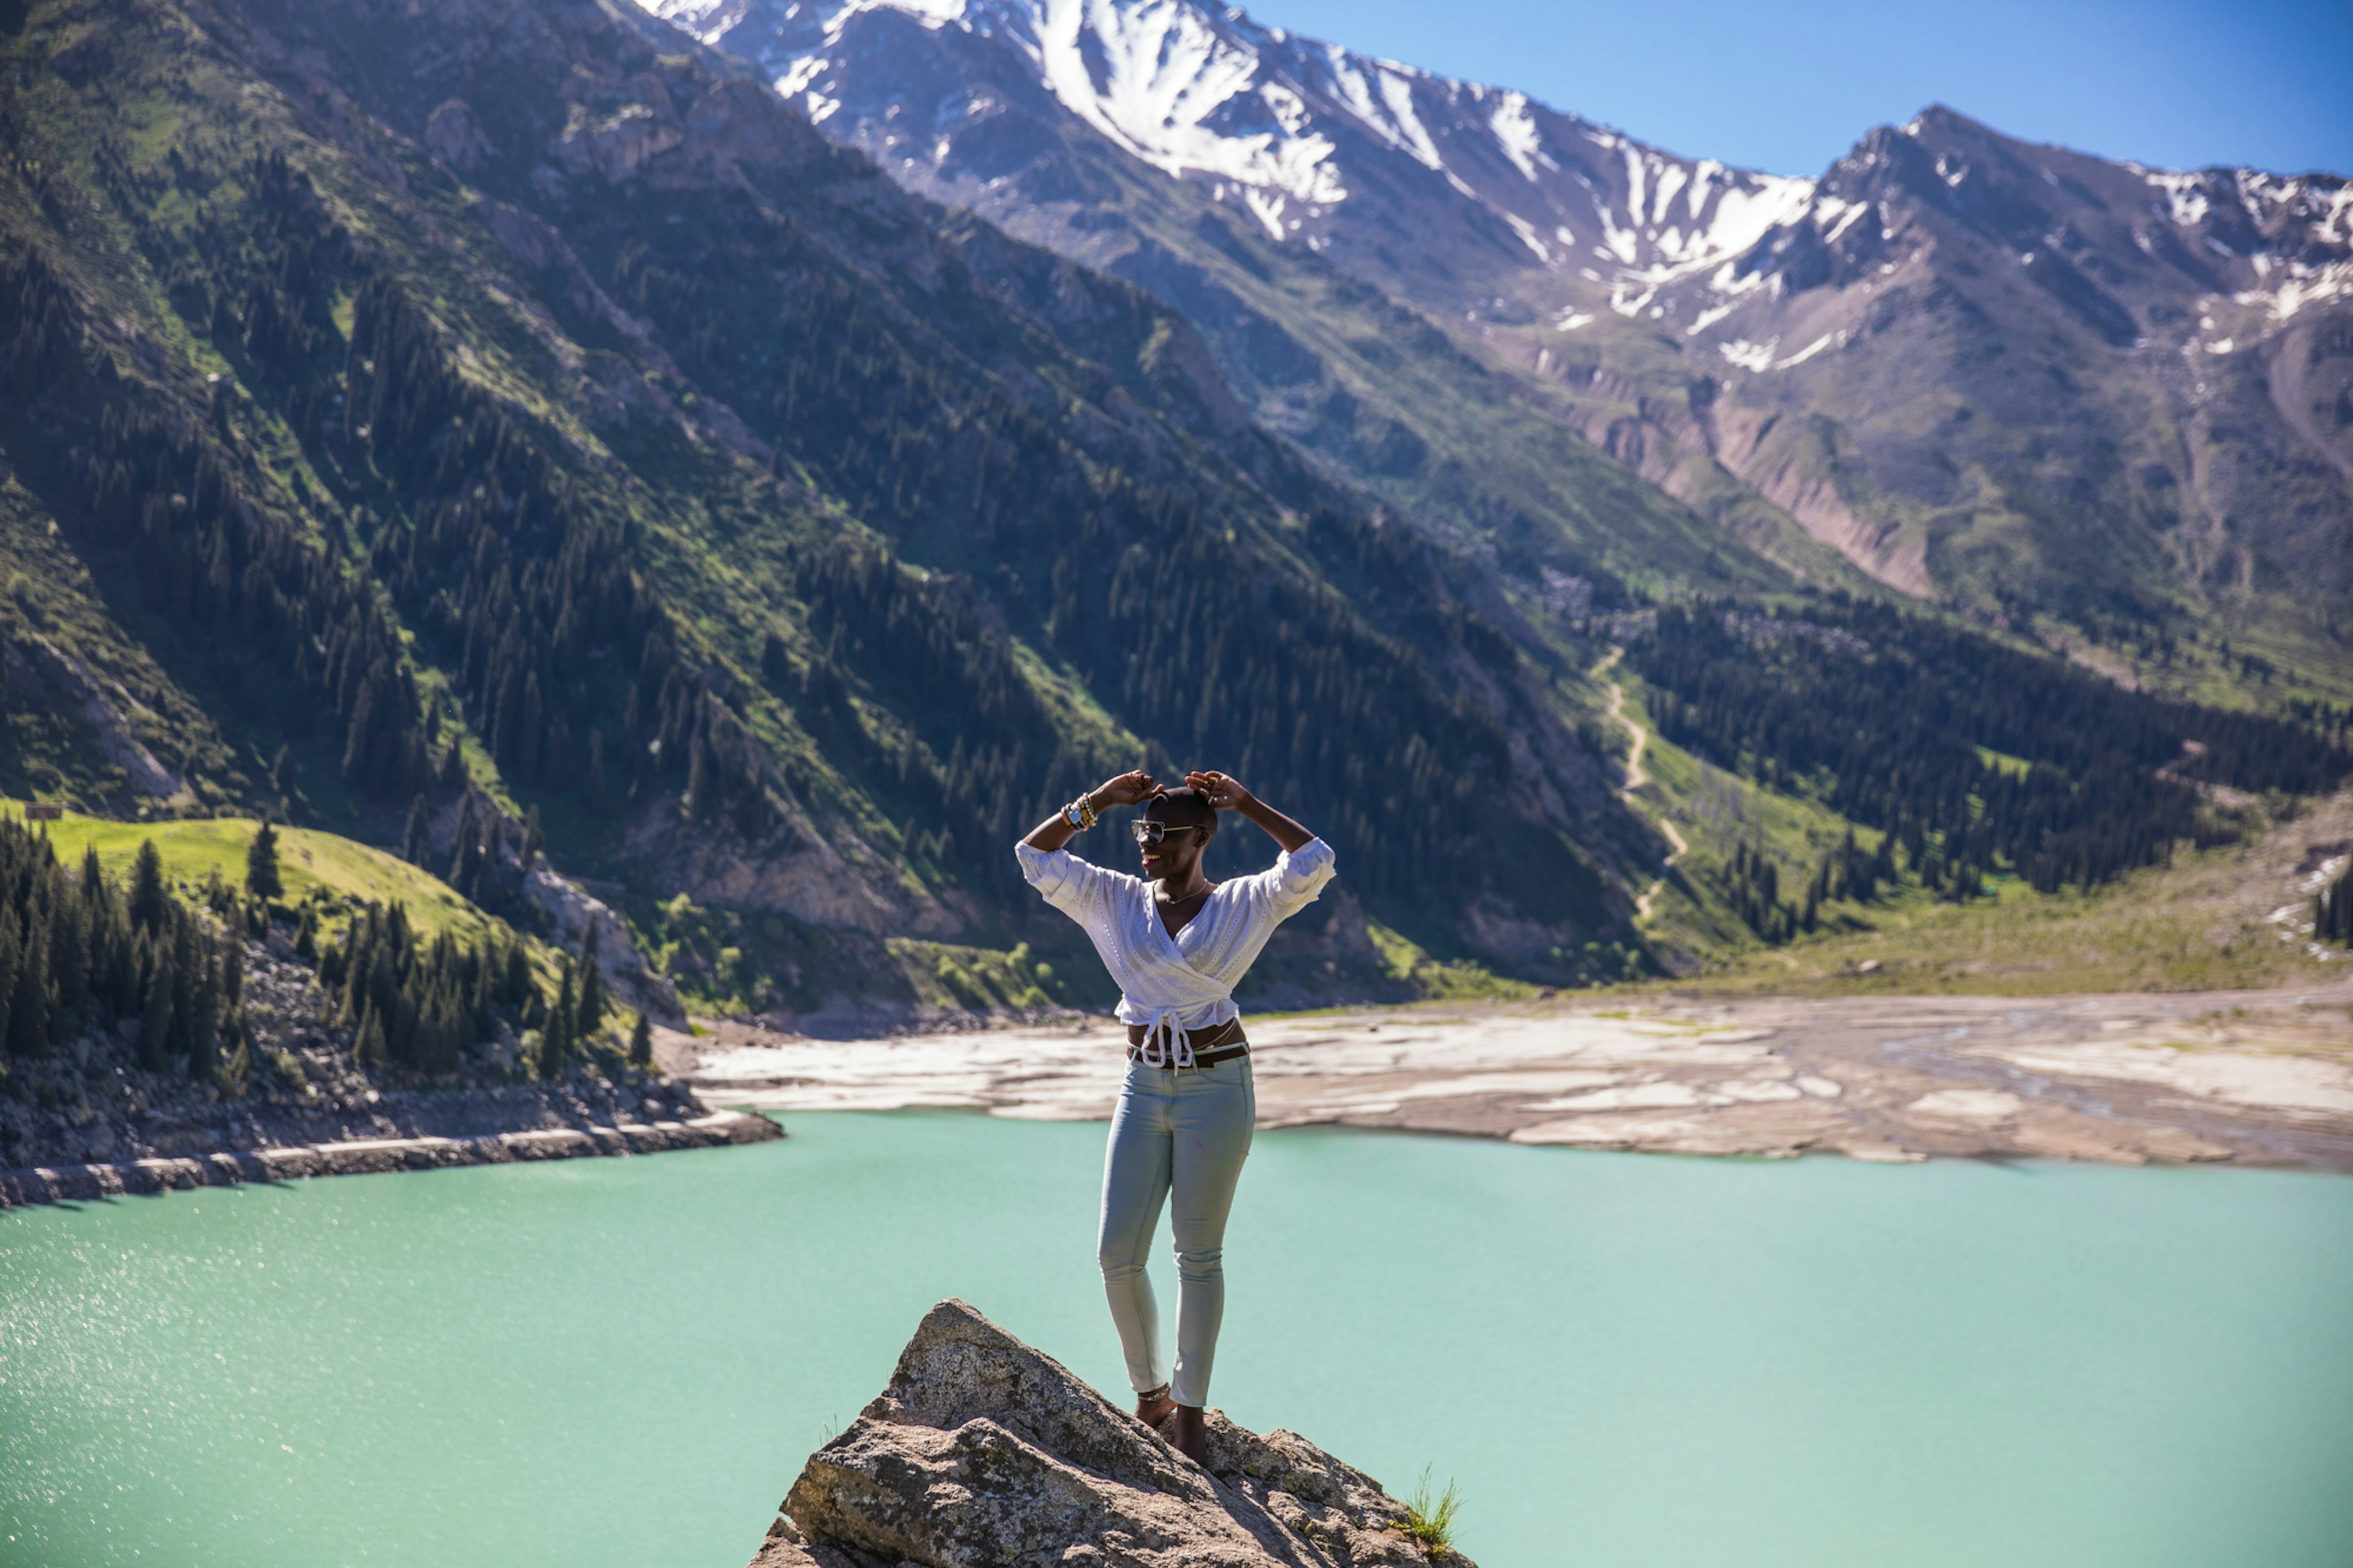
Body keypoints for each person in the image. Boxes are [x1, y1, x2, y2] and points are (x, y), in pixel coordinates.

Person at [1015, 768, 1335, 1466]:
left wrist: (1248, 803)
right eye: (1142, 832)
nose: (1147, 845)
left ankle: (1188, 1414)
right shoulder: (1115, 898)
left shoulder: (1246, 904)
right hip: (1141, 1084)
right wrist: (1098, 801)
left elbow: (1315, 862)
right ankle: (1150, 1393)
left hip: (1217, 1086)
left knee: (1198, 1257)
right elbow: (1034, 858)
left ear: (1201, 839)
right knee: (1116, 1256)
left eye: (1161, 834)